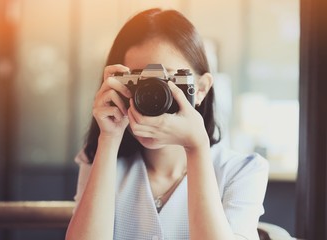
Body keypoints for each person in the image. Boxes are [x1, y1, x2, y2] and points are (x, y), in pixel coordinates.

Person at [66, 8, 268, 240]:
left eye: (167, 80)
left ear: (200, 89)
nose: (152, 95)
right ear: (117, 84)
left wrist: (197, 147)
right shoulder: (99, 158)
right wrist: (109, 139)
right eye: (140, 81)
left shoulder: (242, 171)